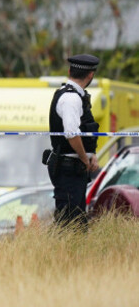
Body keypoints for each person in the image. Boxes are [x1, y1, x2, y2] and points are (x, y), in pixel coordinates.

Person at [47, 54, 100, 229]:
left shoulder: (77, 96)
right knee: (71, 222)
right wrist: (85, 158)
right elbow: (71, 134)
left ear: (70, 71)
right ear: (91, 75)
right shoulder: (71, 98)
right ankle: (63, 256)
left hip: (73, 167)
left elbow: (84, 132)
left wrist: (91, 155)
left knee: (75, 219)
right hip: (69, 167)